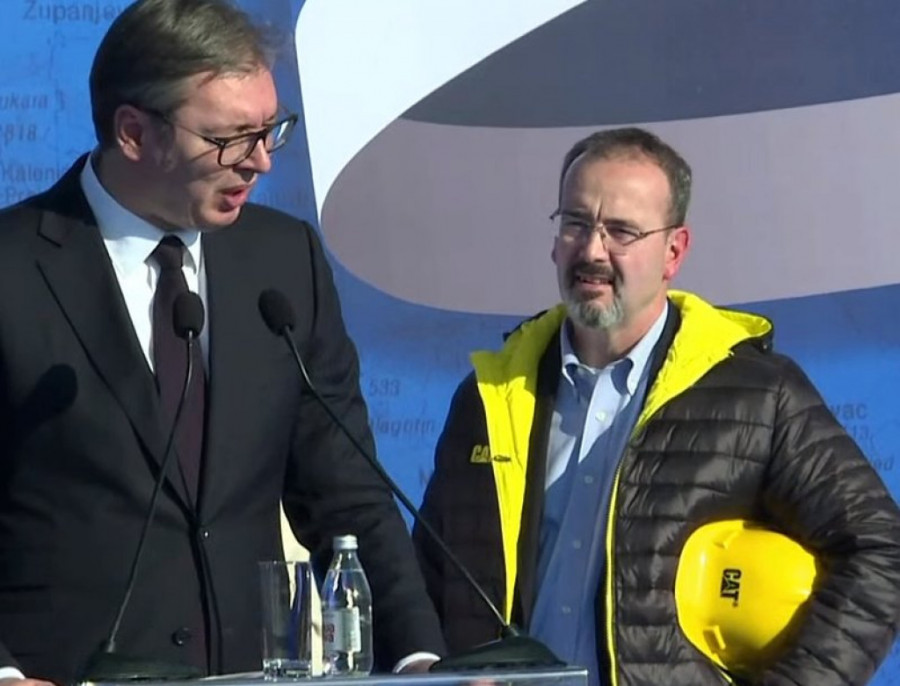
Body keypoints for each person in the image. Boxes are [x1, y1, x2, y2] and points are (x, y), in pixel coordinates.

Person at [0, 1, 443, 684]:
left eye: (270, 131)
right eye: (231, 138)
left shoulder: (284, 262)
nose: (260, 161)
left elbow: (346, 493)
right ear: (133, 132)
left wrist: (419, 658)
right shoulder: (13, 268)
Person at [413, 126, 900, 686]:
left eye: (622, 231)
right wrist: (431, 667)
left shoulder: (756, 394)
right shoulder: (490, 396)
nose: (592, 251)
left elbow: (879, 551)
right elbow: (427, 572)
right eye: (576, 223)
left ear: (674, 251)